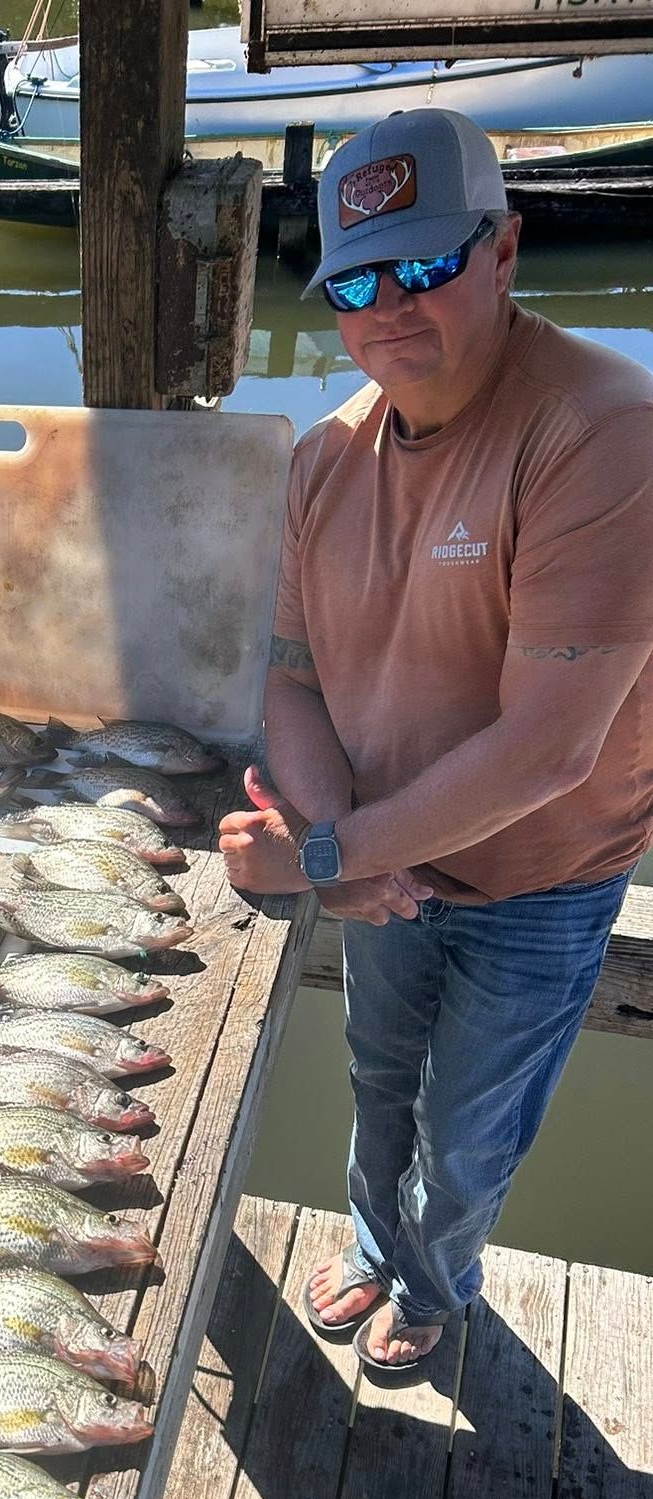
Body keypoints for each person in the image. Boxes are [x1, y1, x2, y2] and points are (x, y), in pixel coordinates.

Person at [218, 106, 653, 1371]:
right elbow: (288, 679)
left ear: (504, 249)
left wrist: (320, 856)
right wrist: (341, 849)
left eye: (423, 265)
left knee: (469, 1132)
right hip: (380, 863)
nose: (389, 308)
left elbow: (548, 750)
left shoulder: (605, 431)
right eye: (356, 284)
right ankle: (373, 1245)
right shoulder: (322, 458)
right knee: (375, 1081)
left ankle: (434, 1284)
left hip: (538, 881)